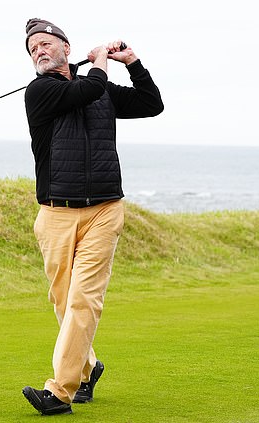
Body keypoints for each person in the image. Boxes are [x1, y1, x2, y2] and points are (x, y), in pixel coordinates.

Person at [21, 18, 164, 416]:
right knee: (63, 302)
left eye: (47, 44)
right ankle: (89, 367)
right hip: (55, 214)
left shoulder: (100, 90)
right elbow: (88, 89)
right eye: (34, 49)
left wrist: (131, 61)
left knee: (84, 301)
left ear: (67, 48)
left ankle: (59, 392)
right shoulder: (41, 91)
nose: (40, 51)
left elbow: (151, 104)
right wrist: (101, 59)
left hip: (104, 210)